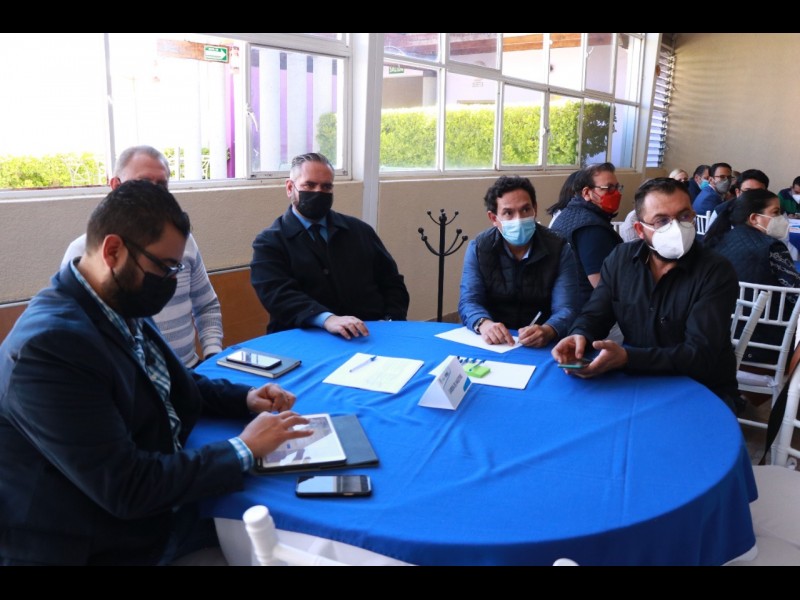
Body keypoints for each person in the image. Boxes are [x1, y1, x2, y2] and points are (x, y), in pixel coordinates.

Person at [0, 180, 312, 565]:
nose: (172, 281)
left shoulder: (113, 301)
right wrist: (243, 449)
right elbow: (128, 488)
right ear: (113, 250)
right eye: (165, 267)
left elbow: (165, 380)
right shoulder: (50, 348)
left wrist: (244, 398)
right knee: (286, 540)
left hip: (156, 503)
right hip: (104, 544)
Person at [551, 177, 741, 413]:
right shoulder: (621, 259)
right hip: (636, 383)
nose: (677, 228)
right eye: (662, 221)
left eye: (684, 216)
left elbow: (699, 355)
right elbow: (595, 314)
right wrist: (579, 335)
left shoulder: (716, 271)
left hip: (701, 389)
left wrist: (627, 358)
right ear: (640, 230)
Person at [61, 145, 223, 368]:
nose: (154, 195)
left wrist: (212, 357)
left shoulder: (182, 241)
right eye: (144, 183)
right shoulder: (84, 256)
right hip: (134, 379)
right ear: (116, 186)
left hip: (188, 370)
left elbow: (206, 305)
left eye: (162, 185)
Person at [251, 152, 409, 338]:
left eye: (326, 186)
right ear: (290, 187)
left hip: (369, 333)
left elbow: (392, 282)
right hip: (304, 337)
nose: (318, 192)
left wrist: (391, 320)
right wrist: (326, 319)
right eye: (309, 185)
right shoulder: (269, 242)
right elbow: (278, 295)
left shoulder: (360, 231)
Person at [458, 175, 580, 347]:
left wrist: (549, 329)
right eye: (508, 213)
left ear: (535, 209)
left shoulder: (559, 248)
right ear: (494, 218)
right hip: (492, 343)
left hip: (542, 344)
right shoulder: (479, 248)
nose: (519, 219)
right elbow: (469, 301)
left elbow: (567, 307)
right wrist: (484, 324)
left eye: (525, 210)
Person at [703, 188, 800, 364]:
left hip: (720, 335)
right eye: (776, 213)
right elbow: (796, 292)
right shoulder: (771, 247)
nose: (782, 218)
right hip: (765, 341)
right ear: (754, 218)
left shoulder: (718, 240)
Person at [549, 162, 623, 302]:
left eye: (617, 187)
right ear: (587, 193)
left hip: (564, 301)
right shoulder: (592, 228)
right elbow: (602, 286)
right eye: (609, 188)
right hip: (586, 306)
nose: (616, 193)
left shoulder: (567, 213)